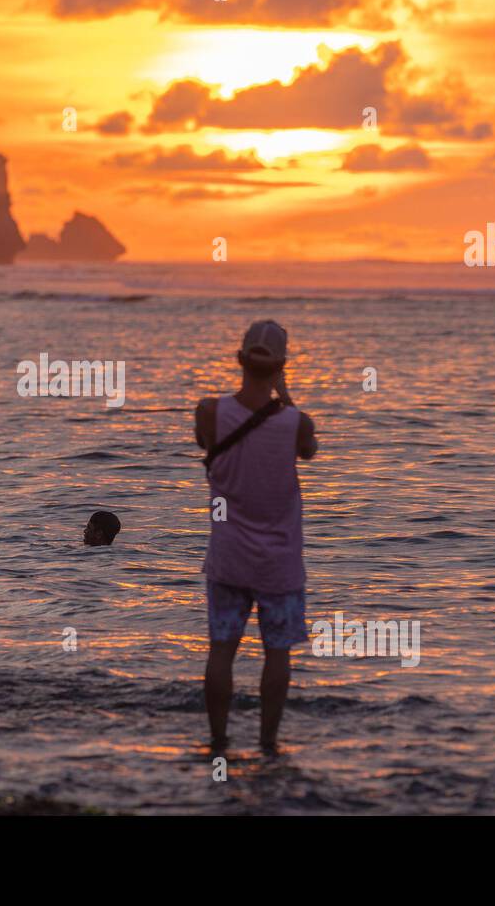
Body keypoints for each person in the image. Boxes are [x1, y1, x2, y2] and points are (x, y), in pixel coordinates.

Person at [194, 320, 318, 757]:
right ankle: (268, 745)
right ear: (282, 366)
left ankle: (219, 741)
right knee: (277, 654)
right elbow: (309, 451)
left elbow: (203, 441)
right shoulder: (297, 422)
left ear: (238, 359)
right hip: (280, 563)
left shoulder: (209, 411)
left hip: (228, 559)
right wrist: (284, 395)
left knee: (221, 652)